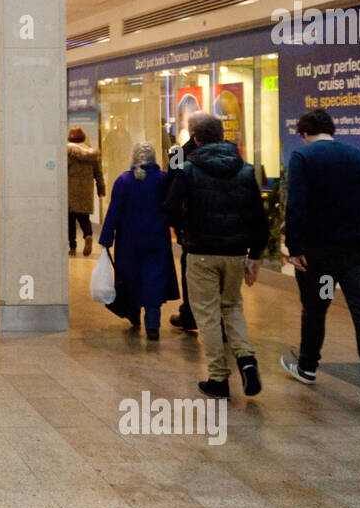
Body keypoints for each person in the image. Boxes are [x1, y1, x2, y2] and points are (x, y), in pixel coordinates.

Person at [279, 109, 360, 410]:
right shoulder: (358, 157)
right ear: (332, 129)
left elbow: (297, 205)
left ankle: (308, 366)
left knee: (316, 308)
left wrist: (295, 246)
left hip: (319, 253)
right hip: (357, 251)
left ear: (303, 133)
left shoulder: (303, 158)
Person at [163, 114, 268, 399]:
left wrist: (184, 230)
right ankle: (246, 360)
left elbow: (170, 206)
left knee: (207, 313)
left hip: (201, 253)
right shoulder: (245, 171)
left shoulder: (188, 169)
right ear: (223, 136)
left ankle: (219, 378)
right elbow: (260, 218)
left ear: (196, 139)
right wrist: (255, 255)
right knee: (233, 306)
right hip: (235, 253)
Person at [98, 142, 179, 340]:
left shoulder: (124, 181)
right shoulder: (163, 179)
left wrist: (106, 237)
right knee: (154, 280)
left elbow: (114, 211)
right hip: (157, 239)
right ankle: (153, 325)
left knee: (130, 277)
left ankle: (133, 314)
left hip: (129, 241)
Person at [164, 111, 208, 333]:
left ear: (192, 131)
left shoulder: (179, 154)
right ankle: (221, 320)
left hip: (191, 227)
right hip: (224, 232)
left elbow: (171, 191)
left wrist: (176, 225)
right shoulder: (230, 155)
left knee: (190, 270)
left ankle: (189, 314)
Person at [67, 127, 106, 256]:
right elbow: (98, 174)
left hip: (70, 189)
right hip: (86, 189)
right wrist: (101, 189)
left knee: (70, 219)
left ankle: (72, 247)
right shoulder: (92, 154)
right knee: (84, 217)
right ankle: (88, 235)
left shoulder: (67, 152)